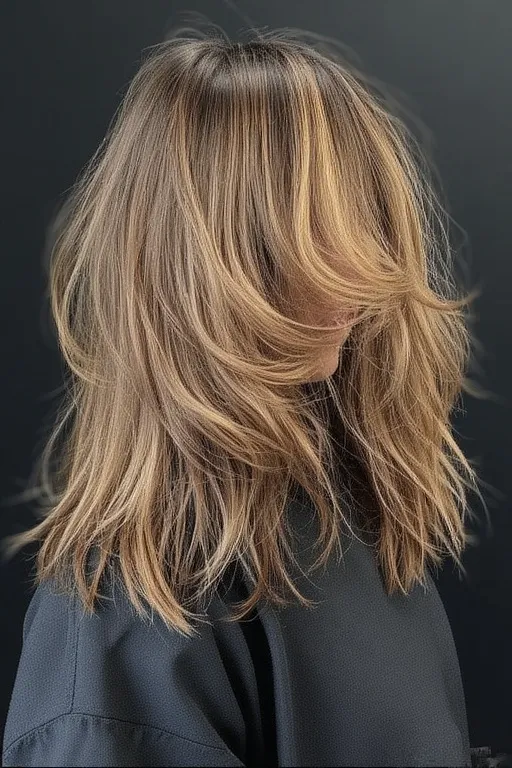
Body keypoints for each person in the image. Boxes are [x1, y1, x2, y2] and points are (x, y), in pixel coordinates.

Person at [2, 23, 489, 767]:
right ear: (211, 263)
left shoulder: (345, 531)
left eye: (366, 220)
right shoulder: (125, 626)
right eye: (317, 229)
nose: (365, 275)